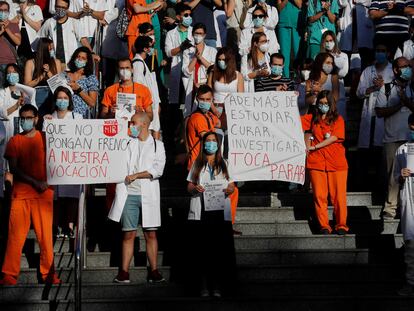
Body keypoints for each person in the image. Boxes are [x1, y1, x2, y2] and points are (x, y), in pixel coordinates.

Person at [0, 104, 60, 285]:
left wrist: (53, 124)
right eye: (23, 118)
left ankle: (48, 273)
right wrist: (35, 182)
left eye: (29, 117)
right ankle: (9, 274)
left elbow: (61, 148)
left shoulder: (45, 137)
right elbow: (14, 168)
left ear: (36, 118)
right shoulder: (14, 141)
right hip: (22, 195)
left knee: (46, 238)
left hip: (44, 195)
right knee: (15, 237)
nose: (26, 121)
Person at [108, 111, 166, 284]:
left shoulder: (158, 145)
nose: (131, 126)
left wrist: (136, 175)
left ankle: (154, 270)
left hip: (149, 194)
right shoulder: (127, 143)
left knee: (151, 234)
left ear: (144, 125)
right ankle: (124, 271)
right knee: (128, 234)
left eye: (133, 123)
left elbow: (158, 170)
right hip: (129, 195)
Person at [186, 131, 236, 297]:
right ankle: (203, 286)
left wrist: (230, 189)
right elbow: (189, 187)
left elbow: (232, 185)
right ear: (203, 144)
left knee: (218, 251)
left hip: (219, 212)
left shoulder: (225, 164)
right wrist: (195, 188)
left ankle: (217, 286)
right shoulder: (197, 164)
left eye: (214, 141)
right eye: (208, 141)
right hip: (202, 212)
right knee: (203, 250)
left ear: (218, 144)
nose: (211, 144)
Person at [301, 90, 349, 235]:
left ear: (331, 104)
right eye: (321, 103)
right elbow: (291, 120)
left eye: (326, 104)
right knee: (319, 196)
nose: (323, 106)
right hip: (317, 163)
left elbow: (334, 138)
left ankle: (341, 225)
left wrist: (314, 146)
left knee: (339, 197)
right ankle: (324, 225)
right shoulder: (311, 119)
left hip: (337, 163)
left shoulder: (338, 120)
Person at [375, 57, 414, 219]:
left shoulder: (413, 90)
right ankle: (391, 208)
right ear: (396, 70)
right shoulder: (386, 89)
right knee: (393, 175)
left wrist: (406, 101)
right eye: (403, 67)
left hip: (410, 138)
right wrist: (399, 104)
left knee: (410, 174)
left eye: (408, 66)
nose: (407, 69)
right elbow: (379, 112)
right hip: (391, 138)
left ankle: (409, 207)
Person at [43, 86, 82, 238]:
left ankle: (70, 225)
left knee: (71, 195)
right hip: (55, 162)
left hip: (72, 161)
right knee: (56, 196)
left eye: (65, 98)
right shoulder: (49, 119)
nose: (62, 101)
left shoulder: (77, 118)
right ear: (55, 100)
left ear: (70, 100)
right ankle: (56, 225)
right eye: (60, 98)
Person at [356, 44, 393, 189]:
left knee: (380, 153)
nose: (380, 53)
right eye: (378, 51)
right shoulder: (367, 71)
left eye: (383, 51)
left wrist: (383, 86)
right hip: (368, 114)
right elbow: (359, 92)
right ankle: (362, 185)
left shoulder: (392, 71)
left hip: (383, 116)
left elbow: (396, 92)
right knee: (364, 152)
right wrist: (372, 88)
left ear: (388, 53)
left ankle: (380, 186)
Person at [164, 3, 193, 155]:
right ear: (179, 17)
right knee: (176, 108)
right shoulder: (171, 34)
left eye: (190, 14)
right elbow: (169, 53)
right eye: (186, 15)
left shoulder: (194, 32)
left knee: (188, 106)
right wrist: (181, 48)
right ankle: (174, 144)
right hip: (176, 72)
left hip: (189, 73)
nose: (189, 18)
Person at [393, 113, 414, 297]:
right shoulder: (402, 150)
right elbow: (395, 179)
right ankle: (411, 284)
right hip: (411, 201)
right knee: (411, 247)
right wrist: (402, 175)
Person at [39, 0, 94, 68]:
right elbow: (40, 39)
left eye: (63, 7)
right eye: (58, 7)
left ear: (67, 8)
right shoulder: (49, 22)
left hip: (71, 64)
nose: (60, 9)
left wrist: (92, 53)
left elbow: (83, 40)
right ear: (54, 6)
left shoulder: (74, 22)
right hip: (54, 65)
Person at [182, 23, 217, 117]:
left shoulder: (212, 51)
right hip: (192, 87)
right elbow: (186, 71)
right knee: (191, 114)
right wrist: (194, 58)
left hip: (206, 87)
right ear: (192, 34)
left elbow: (213, 69)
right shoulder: (187, 51)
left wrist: (200, 58)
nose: (198, 36)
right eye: (196, 33)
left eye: (201, 33)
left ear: (205, 35)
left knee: (207, 114)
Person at [132, 35, 161, 138]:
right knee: (147, 132)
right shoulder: (138, 64)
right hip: (144, 105)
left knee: (154, 128)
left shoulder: (143, 63)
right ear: (145, 49)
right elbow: (138, 85)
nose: (151, 49)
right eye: (150, 46)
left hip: (150, 103)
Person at [185, 84, 219, 171]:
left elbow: (220, 123)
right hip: (198, 165)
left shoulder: (209, 115)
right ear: (197, 99)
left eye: (208, 99)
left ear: (212, 100)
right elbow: (209, 142)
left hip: (205, 164)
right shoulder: (197, 118)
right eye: (202, 99)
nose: (205, 102)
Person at [24, 38, 62, 113]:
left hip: (52, 93)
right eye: (50, 48)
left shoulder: (56, 62)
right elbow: (27, 85)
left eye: (53, 48)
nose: (52, 50)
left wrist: (48, 72)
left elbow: (58, 84)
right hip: (38, 93)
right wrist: (41, 76)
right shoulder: (31, 62)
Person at [66, 46, 99, 118]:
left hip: (81, 117)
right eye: (78, 57)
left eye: (83, 58)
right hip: (65, 115)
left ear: (87, 61)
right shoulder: (65, 75)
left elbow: (92, 103)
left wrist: (78, 89)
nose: (79, 59)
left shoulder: (90, 78)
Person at [276, 0, 303, 78]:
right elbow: (279, 8)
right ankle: (285, 77)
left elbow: (300, 5)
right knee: (284, 53)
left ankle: (298, 76)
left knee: (297, 52)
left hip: (297, 24)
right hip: (283, 24)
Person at [0, 1, 21, 86]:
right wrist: (1, 31)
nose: (2, 12)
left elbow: (18, 42)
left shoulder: (14, 25)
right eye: (0, 10)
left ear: (8, 12)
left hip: (10, 65)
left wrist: (7, 29)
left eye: (5, 10)